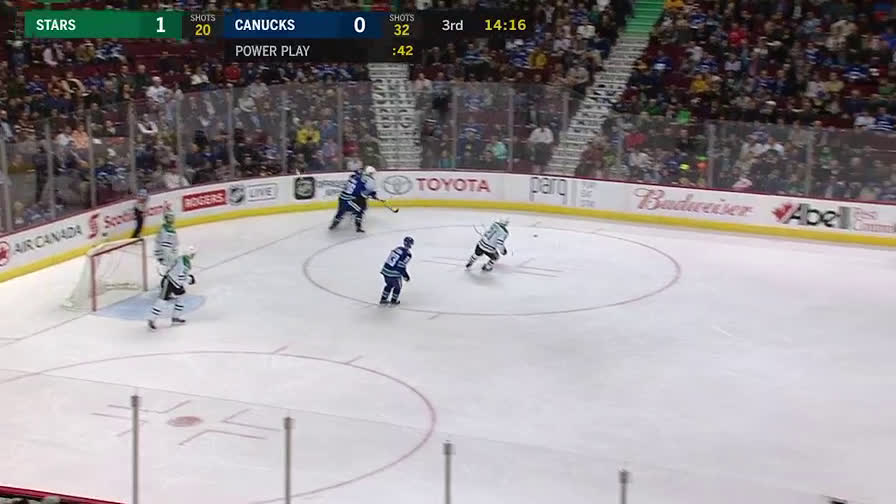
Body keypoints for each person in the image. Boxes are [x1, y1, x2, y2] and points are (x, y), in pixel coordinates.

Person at [148, 246, 196, 330]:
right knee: (162, 300)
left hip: (177, 283)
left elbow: (182, 275)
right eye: (192, 254)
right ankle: (152, 319)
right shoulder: (180, 260)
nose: (193, 255)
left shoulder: (186, 262)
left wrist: (188, 279)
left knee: (181, 298)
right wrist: (189, 279)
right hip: (169, 281)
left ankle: (175, 318)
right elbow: (178, 273)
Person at [329, 165, 377, 232]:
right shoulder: (361, 180)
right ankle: (358, 226)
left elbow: (358, 186)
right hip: (348, 200)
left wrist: (370, 193)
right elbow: (360, 192)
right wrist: (371, 194)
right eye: (371, 174)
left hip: (342, 197)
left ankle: (334, 224)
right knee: (360, 209)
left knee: (341, 211)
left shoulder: (354, 177)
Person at [381, 236, 413, 305]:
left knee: (389, 284)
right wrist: (405, 276)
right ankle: (394, 300)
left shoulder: (397, 249)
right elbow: (401, 266)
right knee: (398, 287)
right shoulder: (408, 254)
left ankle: (383, 298)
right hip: (394, 273)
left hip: (385, 270)